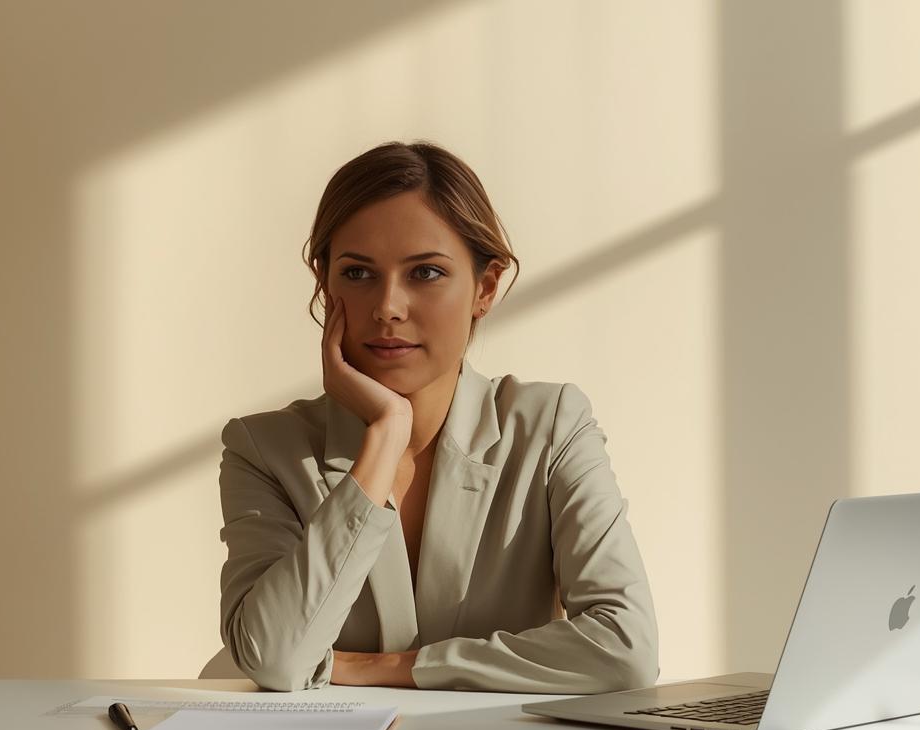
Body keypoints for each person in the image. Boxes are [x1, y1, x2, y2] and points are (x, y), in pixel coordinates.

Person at [216, 140, 660, 693]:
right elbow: (275, 658)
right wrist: (382, 441)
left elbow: (626, 650)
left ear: (486, 286)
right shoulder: (264, 448)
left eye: (425, 272)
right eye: (357, 274)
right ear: (324, 284)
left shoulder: (551, 427)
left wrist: (380, 668)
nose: (387, 307)